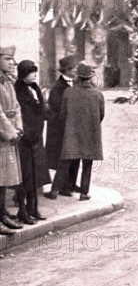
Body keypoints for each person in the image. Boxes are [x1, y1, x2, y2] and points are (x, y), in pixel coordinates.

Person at [59, 62, 104, 201]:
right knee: (87, 163)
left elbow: (62, 114)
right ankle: (84, 192)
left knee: (73, 159)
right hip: (91, 133)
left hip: (72, 132)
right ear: (90, 77)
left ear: (77, 76)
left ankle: (69, 186)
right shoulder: (97, 94)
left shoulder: (68, 92)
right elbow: (101, 115)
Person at [14, 60, 50, 222]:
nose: (35, 75)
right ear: (23, 74)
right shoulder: (18, 90)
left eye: (35, 72)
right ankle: (22, 210)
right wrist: (28, 135)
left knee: (35, 175)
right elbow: (21, 116)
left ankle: (33, 208)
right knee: (24, 176)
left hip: (36, 138)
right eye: (31, 72)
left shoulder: (35, 89)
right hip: (25, 139)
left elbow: (41, 111)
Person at [44, 55, 79, 200]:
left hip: (74, 126)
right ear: (67, 71)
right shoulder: (57, 88)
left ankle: (71, 183)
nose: (76, 71)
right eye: (74, 69)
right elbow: (57, 109)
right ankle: (62, 186)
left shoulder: (76, 84)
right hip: (62, 128)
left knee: (76, 155)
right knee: (64, 157)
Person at [0, 46, 24, 235]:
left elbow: (16, 106)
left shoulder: (7, 81)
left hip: (8, 137)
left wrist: (18, 127)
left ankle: (2, 213)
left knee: (5, 178)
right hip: (2, 136)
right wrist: (10, 131)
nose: (12, 63)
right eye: (8, 59)